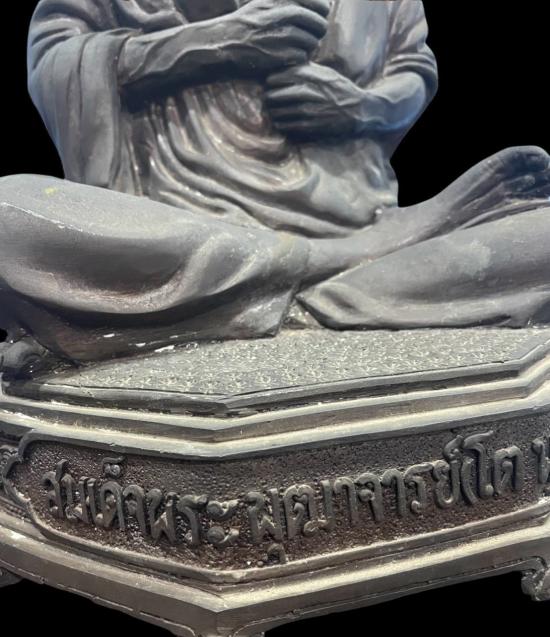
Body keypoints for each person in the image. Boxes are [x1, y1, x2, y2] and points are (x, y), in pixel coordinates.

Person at [1, 0, 550, 371]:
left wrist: (363, 107)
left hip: (352, 214)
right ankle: (351, 275)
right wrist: (211, 44)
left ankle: (281, 301)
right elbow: (57, 59)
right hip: (176, 230)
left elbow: (414, 68)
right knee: (7, 213)